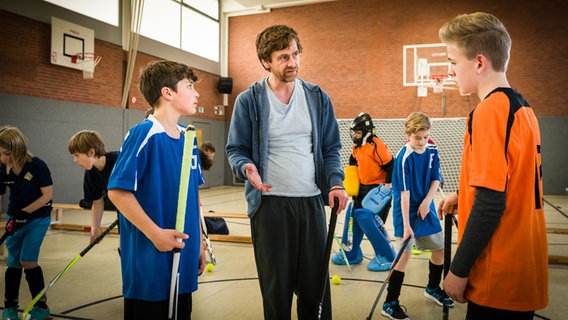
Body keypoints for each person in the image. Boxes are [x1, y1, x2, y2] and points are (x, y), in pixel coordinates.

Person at [225, 24, 348, 320]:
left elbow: (331, 148)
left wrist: (335, 184)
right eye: (283, 57)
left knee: (315, 291)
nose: (292, 62)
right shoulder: (249, 100)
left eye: (295, 54)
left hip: (310, 203)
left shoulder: (318, 98)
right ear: (266, 61)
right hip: (270, 207)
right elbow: (235, 150)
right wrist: (246, 167)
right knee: (276, 292)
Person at [437, 12, 548, 319]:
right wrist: (463, 195)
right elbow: (510, 182)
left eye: (453, 62)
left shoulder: (488, 113)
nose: (449, 71)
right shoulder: (522, 107)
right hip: (523, 269)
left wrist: (458, 270)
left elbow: (490, 202)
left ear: (479, 63)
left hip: (498, 274)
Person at [107, 60, 205, 320]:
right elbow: (117, 192)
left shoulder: (189, 137)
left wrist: (201, 244)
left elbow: (193, 193)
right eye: (189, 86)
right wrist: (156, 234)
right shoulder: (144, 133)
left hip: (184, 252)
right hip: (151, 257)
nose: (196, 94)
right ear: (167, 93)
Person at [382, 112, 453, 320]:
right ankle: (390, 303)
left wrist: (426, 202)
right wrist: (406, 226)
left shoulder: (432, 148)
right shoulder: (404, 157)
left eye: (424, 136)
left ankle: (432, 289)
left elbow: (435, 179)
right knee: (403, 257)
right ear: (408, 135)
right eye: (417, 138)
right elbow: (404, 194)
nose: (422, 142)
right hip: (406, 209)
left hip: (425, 205)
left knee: (440, 249)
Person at [331, 112, 396, 271]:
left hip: (377, 191)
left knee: (373, 224)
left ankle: (385, 256)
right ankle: (351, 253)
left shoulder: (376, 145)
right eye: (354, 132)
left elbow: (390, 165)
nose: (355, 135)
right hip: (361, 189)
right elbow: (353, 161)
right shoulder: (357, 146)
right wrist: (351, 182)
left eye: (358, 132)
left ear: (366, 132)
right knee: (355, 218)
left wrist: (387, 186)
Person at [0, 126, 53, 320]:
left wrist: (25, 212)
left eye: (6, 153)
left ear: (18, 149)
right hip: (14, 218)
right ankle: (10, 308)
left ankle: (41, 307)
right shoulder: (1, 168)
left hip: (38, 218)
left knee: (27, 260)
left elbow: (47, 195)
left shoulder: (37, 165)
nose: (2, 158)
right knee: (13, 263)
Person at [68, 130, 118, 243]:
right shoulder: (90, 173)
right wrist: (95, 228)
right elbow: (97, 202)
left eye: (77, 155)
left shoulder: (119, 160)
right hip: (122, 212)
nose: (75, 160)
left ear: (91, 152)